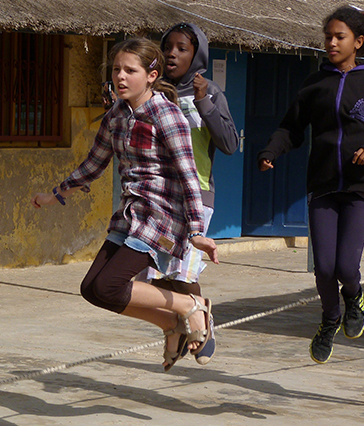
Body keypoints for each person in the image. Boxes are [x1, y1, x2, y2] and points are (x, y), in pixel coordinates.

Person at [32, 37, 218, 372]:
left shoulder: (167, 114)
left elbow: (189, 176)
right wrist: (56, 194)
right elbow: (94, 164)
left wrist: (195, 232)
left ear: (151, 75)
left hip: (161, 217)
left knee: (110, 284)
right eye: (117, 69)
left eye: (130, 70)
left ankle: (191, 304)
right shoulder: (117, 114)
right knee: (92, 289)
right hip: (130, 215)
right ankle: (170, 323)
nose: (120, 76)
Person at [257, 6, 364, 364]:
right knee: (323, 267)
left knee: (344, 267)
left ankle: (353, 296)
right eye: (328, 37)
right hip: (323, 185)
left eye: (339, 37)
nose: (332, 43)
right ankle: (330, 318)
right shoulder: (315, 84)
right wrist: (271, 150)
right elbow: (290, 127)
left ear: (358, 41)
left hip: (360, 187)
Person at [133, 22, 239, 365]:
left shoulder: (210, 92)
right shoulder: (153, 92)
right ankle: (177, 329)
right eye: (169, 47)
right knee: (152, 275)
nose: (173, 53)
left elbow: (229, 144)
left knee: (183, 273)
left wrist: (205, 102)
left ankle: (200, 323)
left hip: (197, 196)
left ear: (198, 55)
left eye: (183, 48)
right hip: (156, 196)